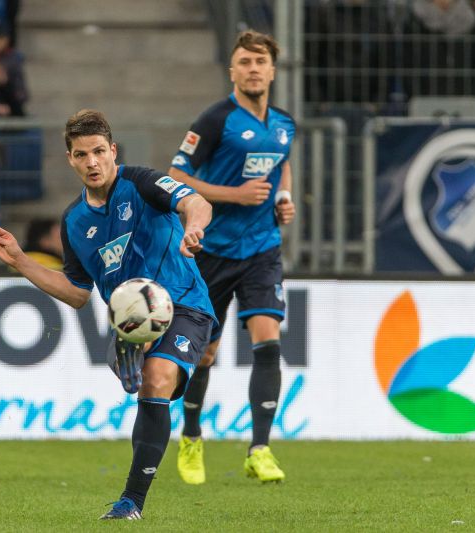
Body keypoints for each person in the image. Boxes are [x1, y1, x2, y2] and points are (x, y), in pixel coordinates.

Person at [0, 109, 215, 520]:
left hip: (185, 305)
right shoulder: (74, 221)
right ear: (70, 159)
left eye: (97, 152)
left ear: (112, 150)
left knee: (156, 379)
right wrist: (20, 261)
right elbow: (75, 293)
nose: (91, 162)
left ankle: (131, 502)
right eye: (80, 154)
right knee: (149, 382)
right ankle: (130, 347)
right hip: (132, 317)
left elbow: (194, 201)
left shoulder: (141, 183)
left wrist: (194, 227)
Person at [168, 29, 296, 485]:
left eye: (260, 61)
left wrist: (284, 197)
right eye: (244, 62)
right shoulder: (215, 119)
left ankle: (259, 448)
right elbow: (176, 174)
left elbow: (282, 163)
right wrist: (234, 195)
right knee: (204, 355)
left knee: (269, 341)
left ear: (273, 70)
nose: (253, 69)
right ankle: (190, 435)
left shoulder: (284, 123)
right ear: (233, 71)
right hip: (213, 250)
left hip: (262, 247)